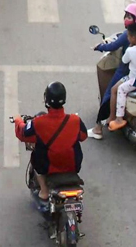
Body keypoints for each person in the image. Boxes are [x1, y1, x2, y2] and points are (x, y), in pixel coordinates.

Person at [14, 82, 89, 210]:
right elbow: (83, 136)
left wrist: (18, 121)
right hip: (72, 165)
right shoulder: (75, 120)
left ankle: (44, 191)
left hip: (48, 167)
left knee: (36, 157)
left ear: (46, 100)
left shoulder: (38, 123)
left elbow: (23, 134)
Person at [88, 2, 136, 139]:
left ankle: (100, 127)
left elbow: (114, 46)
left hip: (125, 73)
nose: (126, 18)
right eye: (126, 15)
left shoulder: (128, 35)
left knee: (110, 93)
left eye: (129, 16)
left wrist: (99, 47)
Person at [107, 23, 136, 131]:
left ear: (133, 38)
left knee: (116, 89)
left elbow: (124, 61)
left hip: (133, 79)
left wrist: (129, 47)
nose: (127, 38)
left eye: (128, 36)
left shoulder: (130, 50)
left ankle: (116, 117)